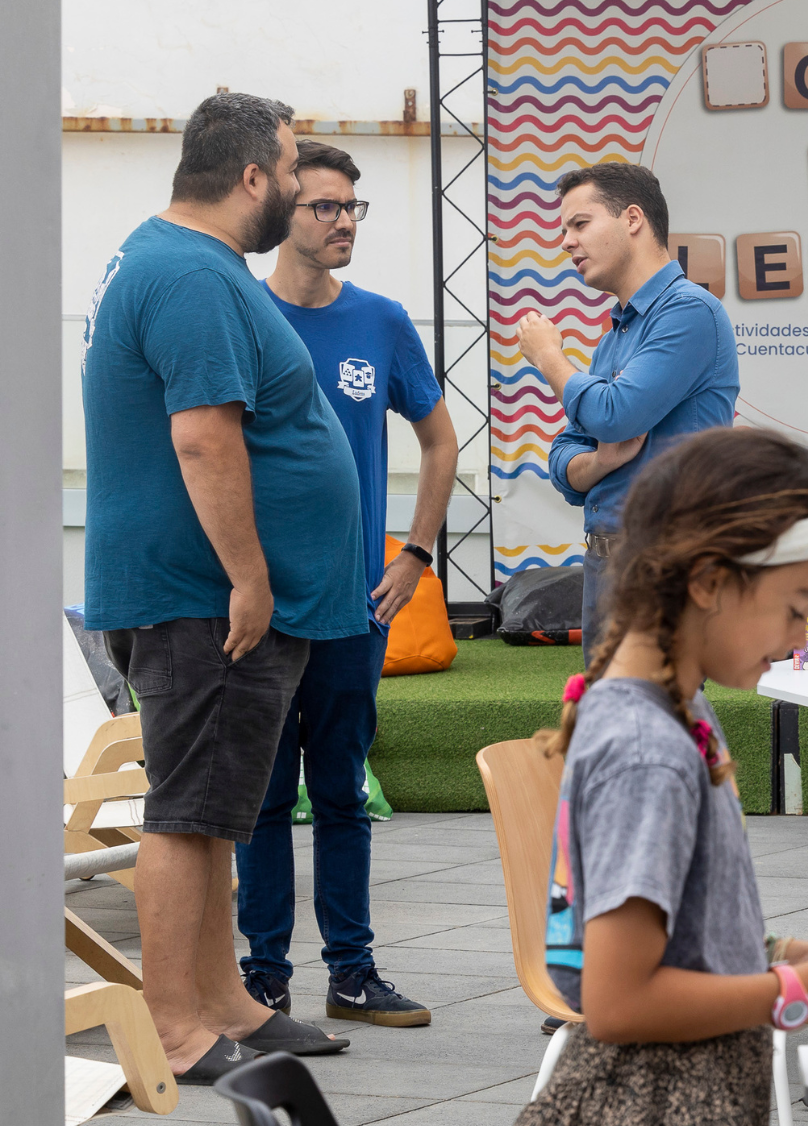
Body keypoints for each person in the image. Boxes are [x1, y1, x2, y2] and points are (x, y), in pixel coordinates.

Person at [518, 429, 808, 1125]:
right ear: (710, 581)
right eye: (797, 607)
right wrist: (799, 988)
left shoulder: (673, 709)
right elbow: (620, 1003)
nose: (804, 636)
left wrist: (786, 952)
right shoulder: (647, 749)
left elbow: (672, 937)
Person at [82, 93, 360, 1080]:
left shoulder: (177, 261)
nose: (296, 188)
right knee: (189, 812)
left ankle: (224, 1000)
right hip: (204, 593)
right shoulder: (195, 277)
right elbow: (203, 435)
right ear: (252, 177)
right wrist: (249, 576)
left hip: (202, 592)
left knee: (216, 811)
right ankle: (175, 1024)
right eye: (290, 172)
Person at [234, 139, 459, 1027]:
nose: (342, 224)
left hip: (353, 608)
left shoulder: (382, 321)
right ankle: (262, 979)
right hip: (254, 604)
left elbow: (440, 440)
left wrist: (417, 555)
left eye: (352, 208)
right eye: (324, 207)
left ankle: (353, 973)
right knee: (257, 799)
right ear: (281, 212)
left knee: (340, 792)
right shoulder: (238, 314)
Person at [520, 162, 740, 657]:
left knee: (655, 717)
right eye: (564, 230)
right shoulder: (616, 336)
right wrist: (598, 463)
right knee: (621, 717)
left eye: (580, 224)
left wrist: (548, 356)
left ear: (633, 219)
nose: (566, 243)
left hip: (664, 560)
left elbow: (614, 415)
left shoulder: (689, 312)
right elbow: (564, 454)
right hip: (609, 558)